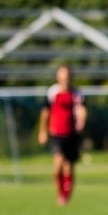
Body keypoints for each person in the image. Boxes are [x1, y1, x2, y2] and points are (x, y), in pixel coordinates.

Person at [38, 65, 87, 206]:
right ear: (58, 77)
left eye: (68, 76)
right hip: (56, 134)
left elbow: (82, 110)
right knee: (58, 165)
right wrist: (42, 131)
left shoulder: (77, 94)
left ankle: (66, 196)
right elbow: (45, 113)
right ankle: (60, 195)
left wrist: (81, 122)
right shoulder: (52, 92)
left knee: (69, 167)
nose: (66, 79)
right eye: (63, 76)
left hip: (72, 135)